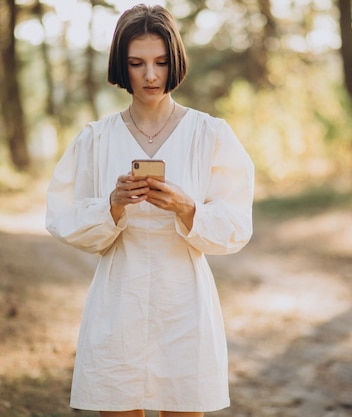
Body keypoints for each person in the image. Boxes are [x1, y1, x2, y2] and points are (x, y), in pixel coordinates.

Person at [45, 4, 254, 417]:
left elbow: (236, 224)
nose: (151, 75)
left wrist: (188, 208)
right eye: (136, 63)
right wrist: (112, 206)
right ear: (122, 67)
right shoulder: (96, 139)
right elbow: (62, 217)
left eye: (160, 62)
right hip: (118, 298)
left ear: (174, 60)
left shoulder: (209, 134)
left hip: (185, 301)